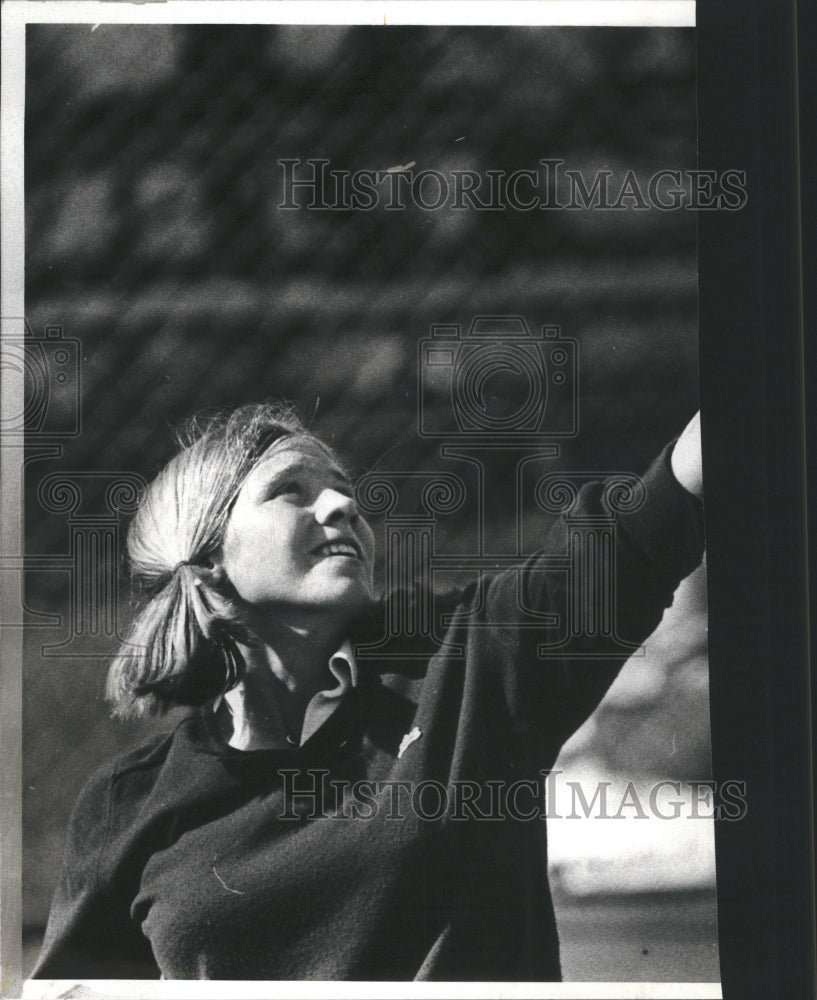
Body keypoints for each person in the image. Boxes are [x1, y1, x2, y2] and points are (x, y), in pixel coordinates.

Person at [32, 402, 704, 981]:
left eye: (343, 488)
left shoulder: (469, 660)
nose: (343, 504)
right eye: (289, 490)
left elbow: (646, 526)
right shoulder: (127, 801)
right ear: (205, 559)